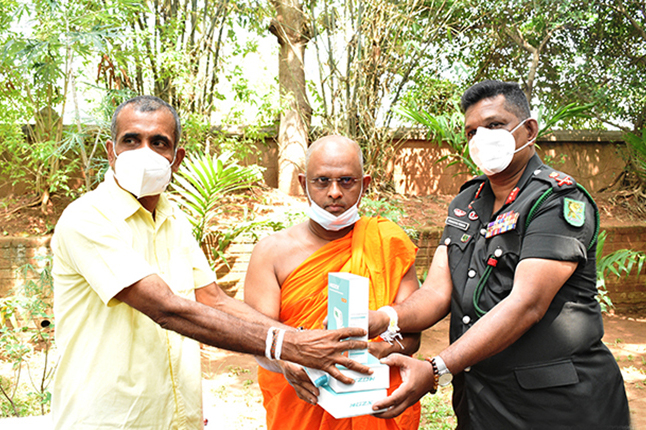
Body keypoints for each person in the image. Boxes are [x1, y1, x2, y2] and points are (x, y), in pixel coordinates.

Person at [51, 96, 370, 430]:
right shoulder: (87, 218)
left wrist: (298, 344)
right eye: (131, 140)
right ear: (111, 151)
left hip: (176, 417)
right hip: (106, 418)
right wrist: (288, 345)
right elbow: (166, 308)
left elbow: (213, 300)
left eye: (159, 143)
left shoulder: (173, 218)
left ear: (176, 159)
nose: (144, 152)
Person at [369, 80, 631, 429]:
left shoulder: (556, 200)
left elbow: (526, 304)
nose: (481, 139)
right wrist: (383, 320)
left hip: (558, 406)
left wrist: (436, 369)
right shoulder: (466, 203)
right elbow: (435, 293)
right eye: (471, 132)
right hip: (483, 399)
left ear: (529, 130)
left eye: (494, 125)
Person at [243, 135, 422, 430]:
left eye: (347, 181)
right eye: (322, 181)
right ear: (304, 183)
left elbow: (412, 336)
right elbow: (257, 338)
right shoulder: (272, 252)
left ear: (365, 184)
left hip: (374, 404)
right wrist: (289, 359)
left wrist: (380, 352)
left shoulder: (389, 243)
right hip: (303, 404)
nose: (335, 192)